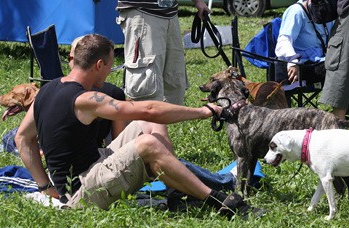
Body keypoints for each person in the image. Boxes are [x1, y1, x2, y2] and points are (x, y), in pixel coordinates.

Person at [15, 34, 262, 218]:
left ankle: (178, 191)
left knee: (147, 124)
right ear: (99, 65)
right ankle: (220, 202)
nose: (110, 72)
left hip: (93, 166)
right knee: (148, 143)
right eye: (110, 65)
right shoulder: (85, 99)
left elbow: (22, 139)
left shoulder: (46, 90)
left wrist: (45, 186)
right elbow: (148, 108)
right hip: (82, 192)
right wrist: (203, 111)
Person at [116, 0, 210, 105]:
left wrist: (198, 2)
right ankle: (142, 119)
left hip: (170, 13)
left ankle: (166, 119)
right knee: (146, 87)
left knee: (174, 82)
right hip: (142, 11)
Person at [274, 0, 333, 84]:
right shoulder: (296, 11)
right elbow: (284, 41)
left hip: (323, 60)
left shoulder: (329, 10)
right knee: (338, 70)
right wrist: (293, 61)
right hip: (302, 64)